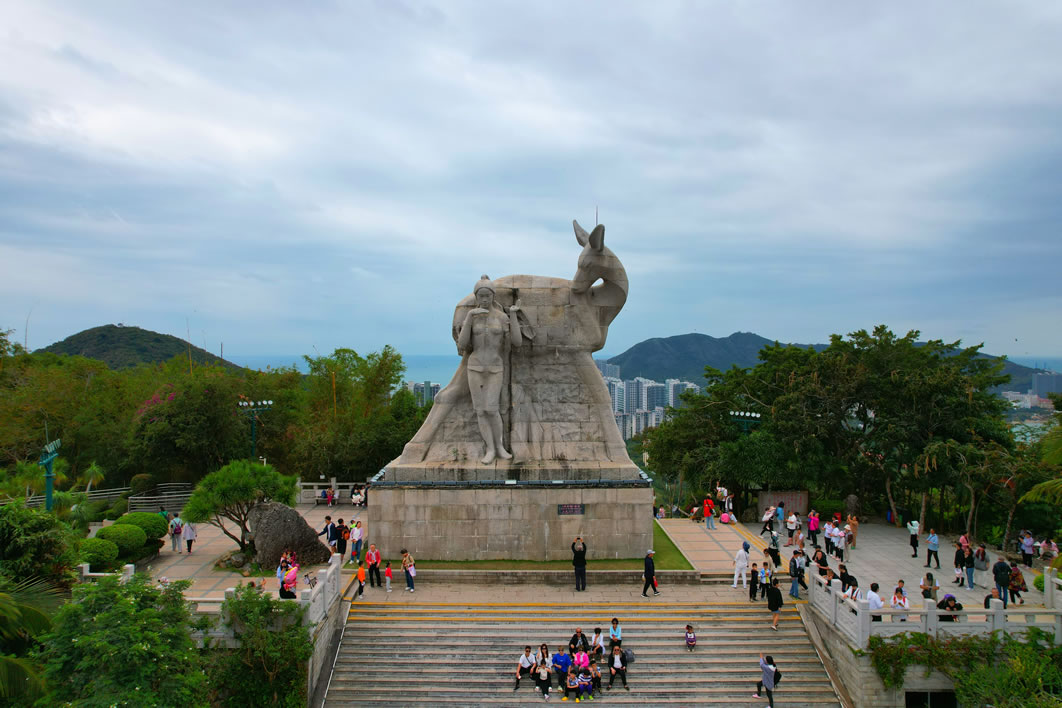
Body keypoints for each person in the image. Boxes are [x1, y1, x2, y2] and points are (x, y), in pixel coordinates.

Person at [457, 275, 525, 464]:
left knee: (492, 409)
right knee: (481, 411)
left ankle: (500, 447)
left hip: (495, 367)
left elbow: (517, 342)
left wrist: (513, 315)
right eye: (481, 296)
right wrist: (469, 317)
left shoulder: (501, 317)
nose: (484, 299)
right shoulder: (472, 317)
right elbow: (462, 344)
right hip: (475, 366)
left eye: (488, 296)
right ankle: (490, 448)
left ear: (493, 296)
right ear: (476, 297)